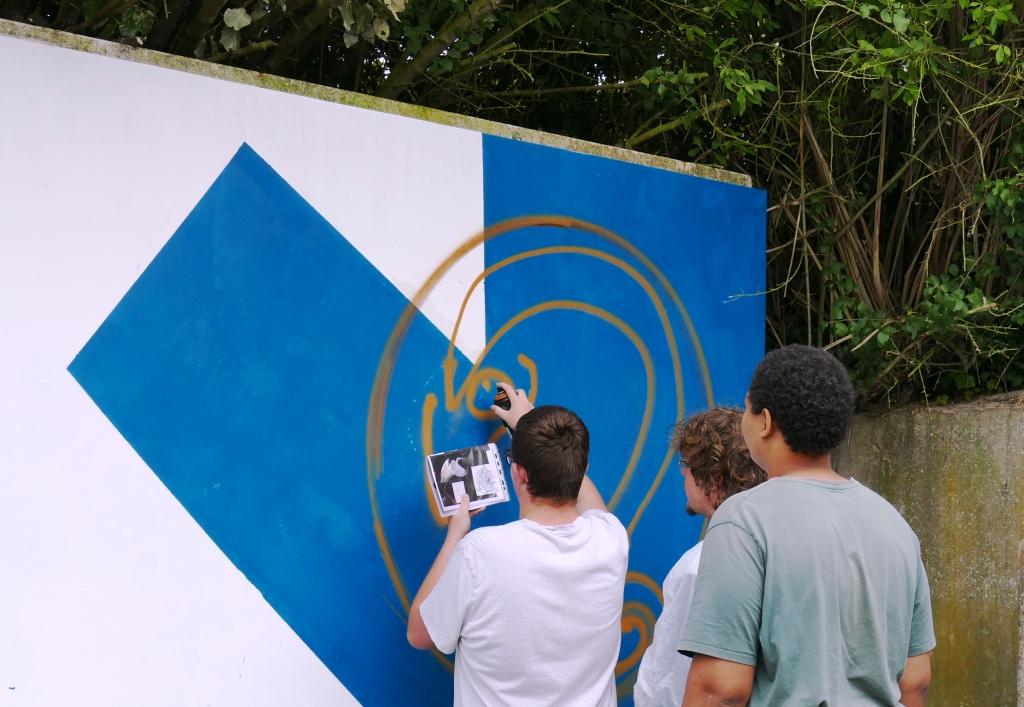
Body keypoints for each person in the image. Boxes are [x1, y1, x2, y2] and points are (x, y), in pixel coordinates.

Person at [679, 345, 936, 706]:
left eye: (747, 409)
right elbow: (915, 682)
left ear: (765, 422)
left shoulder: (743, 520)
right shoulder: (895, 525)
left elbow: (719, 689)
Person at [407, 382, 628, 706]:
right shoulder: (611, 539)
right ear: (583, 471)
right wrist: (531, 426)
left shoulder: (479, 553)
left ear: (519, 474)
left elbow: (419, 633)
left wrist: (456, 535)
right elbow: (592, 501)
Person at [633, 407, 765, 707]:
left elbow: (670, 679)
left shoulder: (700, 567)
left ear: (713, 479)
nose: (682, 473)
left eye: (687, 464)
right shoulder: (769, 541)